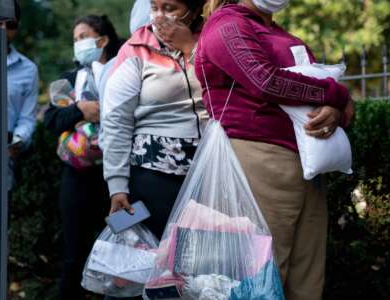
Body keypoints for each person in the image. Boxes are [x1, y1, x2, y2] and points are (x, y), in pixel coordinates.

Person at [195, 1, 354, 300]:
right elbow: (264, 80)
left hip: (307, 163)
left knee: (307, 276)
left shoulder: (279, 33)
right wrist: (337, 94)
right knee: (263, 274)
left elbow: (320, 98)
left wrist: (336, 111)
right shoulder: (226, 24)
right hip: (259, 161)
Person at [102, 0, 207, 297]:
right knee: (143, 273)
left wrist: (190, 50)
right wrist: (117, 187)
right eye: (154, 5)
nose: (160, 15)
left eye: (170, 6)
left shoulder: (213, 41)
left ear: (193, 7)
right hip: (150, 176)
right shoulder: (135, 49)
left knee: (196, 274)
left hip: (207, 173)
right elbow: (116, 121)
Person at [44, 15, 122, 300]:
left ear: (102, 40)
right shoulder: (68, 80)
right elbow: (51, 120)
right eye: (75, 39)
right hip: (76, 179)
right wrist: (81, 110)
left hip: (118, 182)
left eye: (83, 37)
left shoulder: (123, 71)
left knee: (119, 250)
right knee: (73, 254)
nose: (78, 43)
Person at [3, 0, 38, 191]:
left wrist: (18, 140)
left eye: (11, 24)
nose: (4, 30)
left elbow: (27, 117)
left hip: (4, 158)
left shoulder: (28, 69)